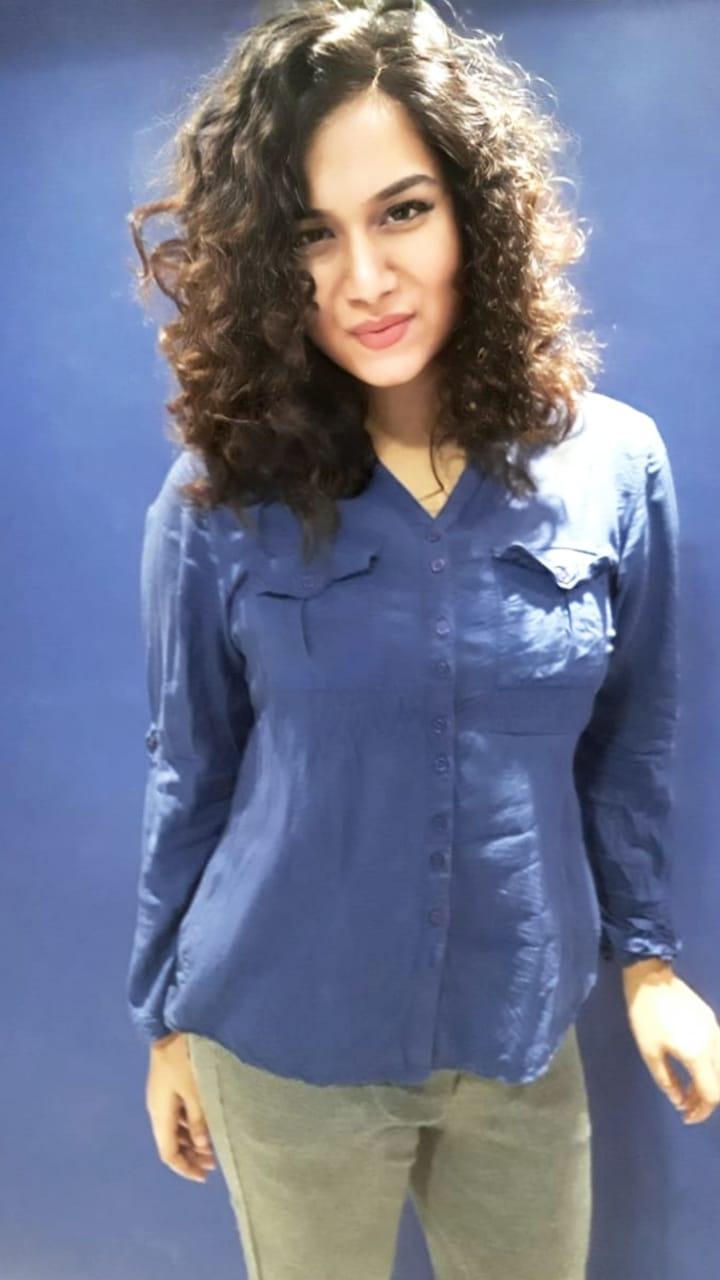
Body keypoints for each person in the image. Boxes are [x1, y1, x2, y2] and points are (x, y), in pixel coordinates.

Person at [125, 1, 720, 1277]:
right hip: (282, 1034)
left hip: (519, 1035)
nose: (364, 278)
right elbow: (191, 768)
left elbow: (634, 740)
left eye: (402, 211)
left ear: (475, 215)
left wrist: (650, 963)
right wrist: (165, 1021)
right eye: (310, 233)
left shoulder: (616, 464)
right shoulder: (218, 500)